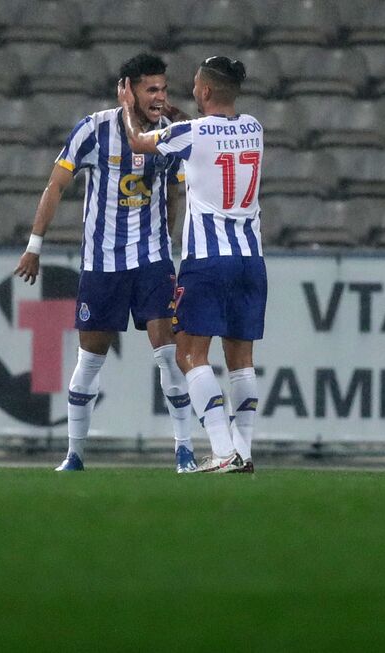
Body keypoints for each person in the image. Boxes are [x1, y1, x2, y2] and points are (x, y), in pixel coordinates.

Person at [14, 53, 197, 473]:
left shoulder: (169, 133)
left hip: (152, 261)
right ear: (127, 90)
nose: (160, 97)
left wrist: (168, 241)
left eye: (164, 89)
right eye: (151, 89)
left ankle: (184, 451)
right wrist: (34, 246)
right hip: (102, 264)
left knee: (169, 356)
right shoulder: (93, 130)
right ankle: (75, 454)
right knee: (89, 362)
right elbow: (56, 184)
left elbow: (177, 191)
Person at [118, 55, 264, 473]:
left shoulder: (192, 133)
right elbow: (205, 130)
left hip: (209, 259)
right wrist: (180, 117)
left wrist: (130, 107)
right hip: (251, 259)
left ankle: (221, 450)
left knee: (189, 354)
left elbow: (138, 142)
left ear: (204, 91)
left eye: (196, 85)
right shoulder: (254, 128)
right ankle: (244, 451)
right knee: (241, 359)